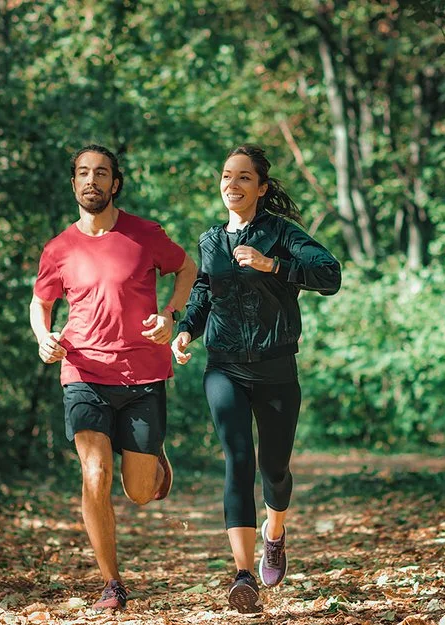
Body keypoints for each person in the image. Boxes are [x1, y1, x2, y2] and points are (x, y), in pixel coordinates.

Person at [171, 145, 341, 613]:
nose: (234, 183)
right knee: (238, 460)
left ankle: (276, 531)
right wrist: (186, 329)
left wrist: (276, 266)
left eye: (245, 177)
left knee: (275, 469)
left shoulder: (283, 235)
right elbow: (204, 291)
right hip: (223, 365)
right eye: (228, 175)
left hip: (276, 367)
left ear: (262, 189)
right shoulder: (210, 242)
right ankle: (243, 575)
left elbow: (330, 274)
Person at [30, 144, 196, 611]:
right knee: (94, 472)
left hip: (144, 374)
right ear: (73, 183)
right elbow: (41, 302)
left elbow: (187, 267)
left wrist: (172, 316)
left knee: (139, 493)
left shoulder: (145, 234)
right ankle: (112, 582)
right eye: (83, 173)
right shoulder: (59, 247)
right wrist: (43, 336)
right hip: (83, 371)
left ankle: (154, 460)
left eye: (101, 173)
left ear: (115, 183)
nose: (92, 181)